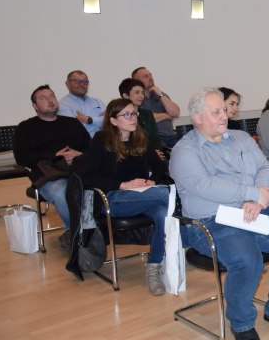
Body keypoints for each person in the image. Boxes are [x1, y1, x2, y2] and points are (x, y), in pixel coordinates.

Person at [169, 88, 269, 340]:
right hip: (213, 221)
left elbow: (264, 167)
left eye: (224, 110)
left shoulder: (241, 137)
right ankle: (242, 322)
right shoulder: (184, 151)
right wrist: (252, 193)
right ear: (197, 117)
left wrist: (259, 196)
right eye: (216, 112)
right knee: (248, 261)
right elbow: (205, 186)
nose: (224, 115)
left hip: (256, 210)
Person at [74, 98, 171, 295]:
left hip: (143, 196)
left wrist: (153, 181)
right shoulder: (102, 140)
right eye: (126, 114)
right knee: (167, 194)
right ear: (113, 120)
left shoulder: (141, 138)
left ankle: (153, 267)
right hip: (112, 197)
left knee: (162, 212)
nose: (133, 118)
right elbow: (88, 176)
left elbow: (160, 166)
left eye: (134, 113)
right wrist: (123, 184)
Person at [13, 85, 91, 250]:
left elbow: (91, 148)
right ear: (35, 106)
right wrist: (54, 156)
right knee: (62, 191)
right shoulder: (26, 127)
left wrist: (78, 153)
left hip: (77, 170)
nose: (50, 100)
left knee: (100, 185)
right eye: (43, 98)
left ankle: (90, 231)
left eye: (52, 96)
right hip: (48, 175)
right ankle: (77, 233)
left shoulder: (72, 123)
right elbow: (21, 157)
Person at [131, 67, 181, 147]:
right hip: (154, 138)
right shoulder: (137, 98)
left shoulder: (159, 94)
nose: (150, 78)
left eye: (150, 75)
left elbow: (175, 113)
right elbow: (144, 118)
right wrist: (166, 115)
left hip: (171, 135)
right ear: (137, 81)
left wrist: (160, 94)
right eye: (145, 76)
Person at [119, 78, 163, 154]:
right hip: (134, 154)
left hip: (154, 154)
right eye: (137, 92)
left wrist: (158, 152)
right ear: (125, 95)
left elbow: (155, 138)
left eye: (142, 93)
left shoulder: (147, 113)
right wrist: (152, 154)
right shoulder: (120, 116)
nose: (141, 96)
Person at [58, 70, 105, 137]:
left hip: (102, 144)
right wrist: (99, 120)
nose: (81, 84)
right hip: (80, 146)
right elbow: (74, 128)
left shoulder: (98, 102)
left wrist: (89, 120)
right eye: (77, 81)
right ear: (67, 84)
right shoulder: (62, 105)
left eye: (85, 81)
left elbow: (109, 122)